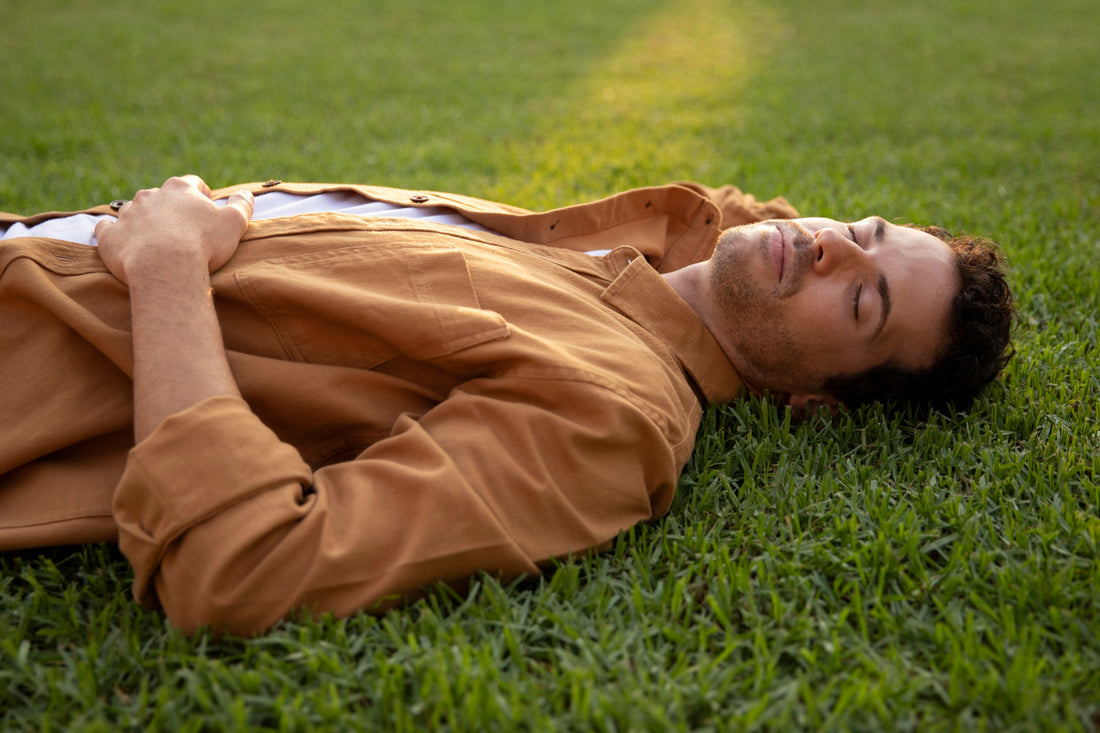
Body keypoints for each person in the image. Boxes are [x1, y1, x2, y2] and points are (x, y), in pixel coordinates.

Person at [0, 176, 1014, 635]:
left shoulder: (612, 409)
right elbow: (759, 220)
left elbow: (247, 571)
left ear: (814, 404)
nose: (835, 247)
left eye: (864, 299)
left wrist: (168, 263)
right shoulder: (647, 255)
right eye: (866, 228)